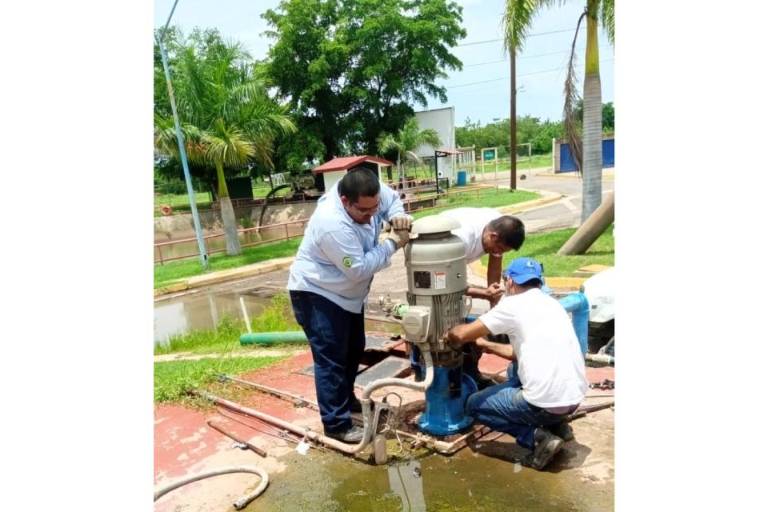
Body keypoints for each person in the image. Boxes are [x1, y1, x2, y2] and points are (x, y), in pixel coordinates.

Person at [287, 167, 412, 443]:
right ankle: (336, 424)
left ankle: (346, 399)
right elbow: (358, 269)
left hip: (347, 297)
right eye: (364, 212)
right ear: (345, 201)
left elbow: (391, 201)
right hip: (318, 294)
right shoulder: (332, 224)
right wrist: (392, 243)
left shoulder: (368, 192)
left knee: (353, 349)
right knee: (331, 358)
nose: (371, 217)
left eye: (374, 209)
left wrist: (397, 215)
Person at [444, 257, 588, 470]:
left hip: (544, 404)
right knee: (514, 369)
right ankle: (559, 424)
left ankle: (538, 438)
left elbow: (461, 335)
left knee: (474, 405)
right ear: (539, 281)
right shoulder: (552, 303)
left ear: (509, 282)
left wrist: (448, 333)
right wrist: (486, 344)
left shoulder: (512, 304)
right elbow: (518, 353)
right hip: (574, 399)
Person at [435, 207, 525, 388]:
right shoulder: (461, 239)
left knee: (467, 326)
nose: (499, 251)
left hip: (452, 269)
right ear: (492, 236)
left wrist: (494, 303)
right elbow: (448, 283)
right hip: (436, 269)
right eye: (499, 248)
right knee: (442, 327)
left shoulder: (501, 226)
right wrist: (484, 294)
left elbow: (495, 265)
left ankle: (469, 374)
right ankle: (442, 376)